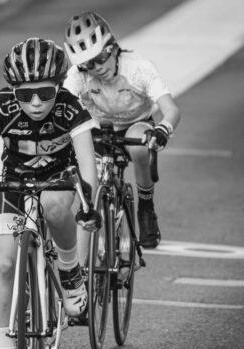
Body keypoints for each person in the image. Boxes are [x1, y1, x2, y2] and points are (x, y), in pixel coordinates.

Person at [0, 38, 100, 349]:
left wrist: (87, 204)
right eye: (25, 95)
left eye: (45, 93)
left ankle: (69, 271)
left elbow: (87, 165)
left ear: (58, 88)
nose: (36, 103)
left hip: (60, 180)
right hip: (16, 187)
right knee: (5, 265)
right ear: (13, 91)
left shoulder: (71, 108)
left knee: (54, 204)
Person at [63, 12, 181, 248]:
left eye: (102, 57)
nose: (97, 67)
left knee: (137, 143)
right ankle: (82, 270)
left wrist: (163, 130)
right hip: (98, 129)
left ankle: (146, 207)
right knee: (87, 190)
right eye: (88, 64)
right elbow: (62, 105)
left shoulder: (138, 68)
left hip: (135, 126)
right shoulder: (79, 76)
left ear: (113, 47)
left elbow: (171, 110)